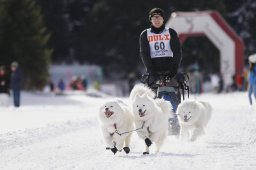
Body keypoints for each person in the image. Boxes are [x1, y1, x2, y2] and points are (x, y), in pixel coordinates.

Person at [139, 8, 182, 135]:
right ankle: (153, 129)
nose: (157, 20)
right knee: (151, 101)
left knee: (175, 101)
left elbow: (177, 52)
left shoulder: (171, 32)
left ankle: (176, 127)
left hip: (170, 70)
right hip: (153, 71)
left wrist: (174, 70)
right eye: (154, 17)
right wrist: (152, 72)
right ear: (150, 20)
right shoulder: (145, 34)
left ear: (163, 19)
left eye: (159, 17)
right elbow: (144, 54)